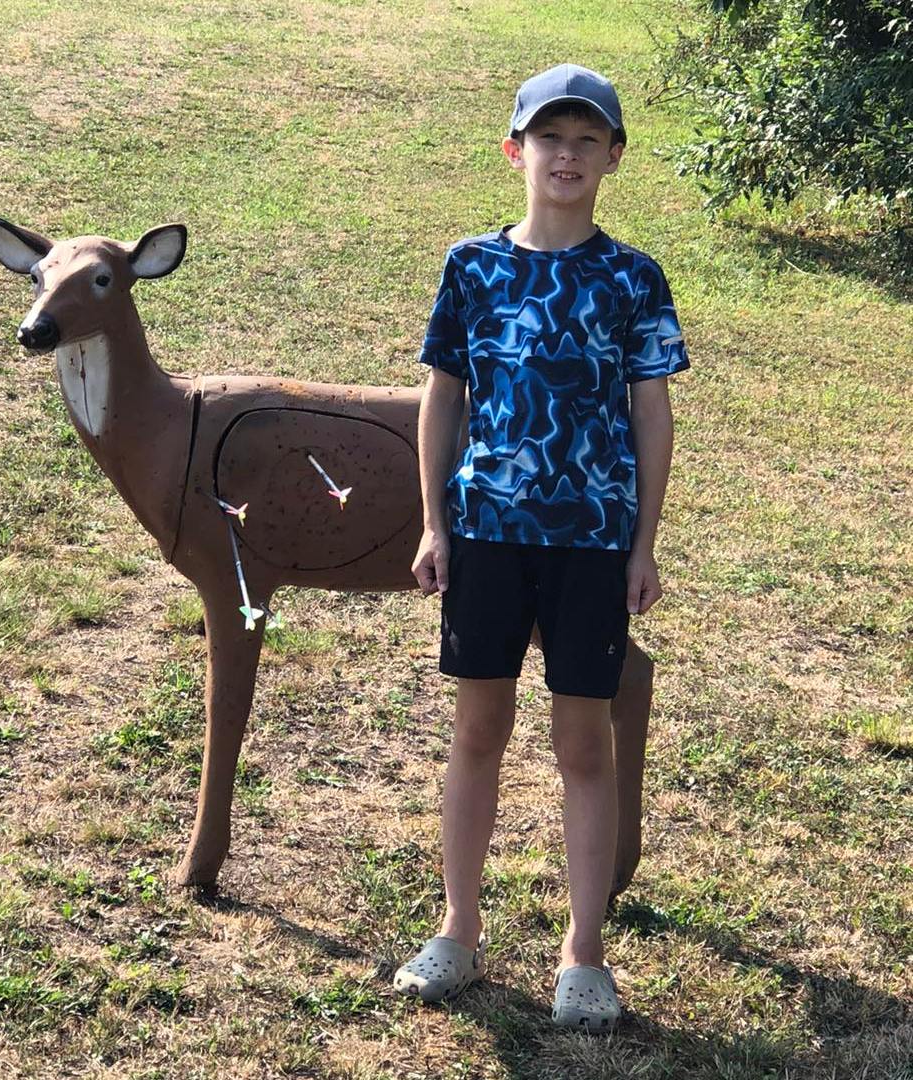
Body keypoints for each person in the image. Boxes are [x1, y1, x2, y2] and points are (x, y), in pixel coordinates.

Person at [393, 64, 689, 1032]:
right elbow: (444, 396)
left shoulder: (632, 277)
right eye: (548, 138)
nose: (566, 156)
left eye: (586, 140)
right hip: (486, 535)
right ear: (515, 150)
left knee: (583, 744)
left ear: (612, 157)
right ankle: (458, 929)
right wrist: (436, 521)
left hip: (593, 544)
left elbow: (652, 410)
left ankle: (584, 955)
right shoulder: (471, 266)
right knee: (478, 729)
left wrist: (643, 541)